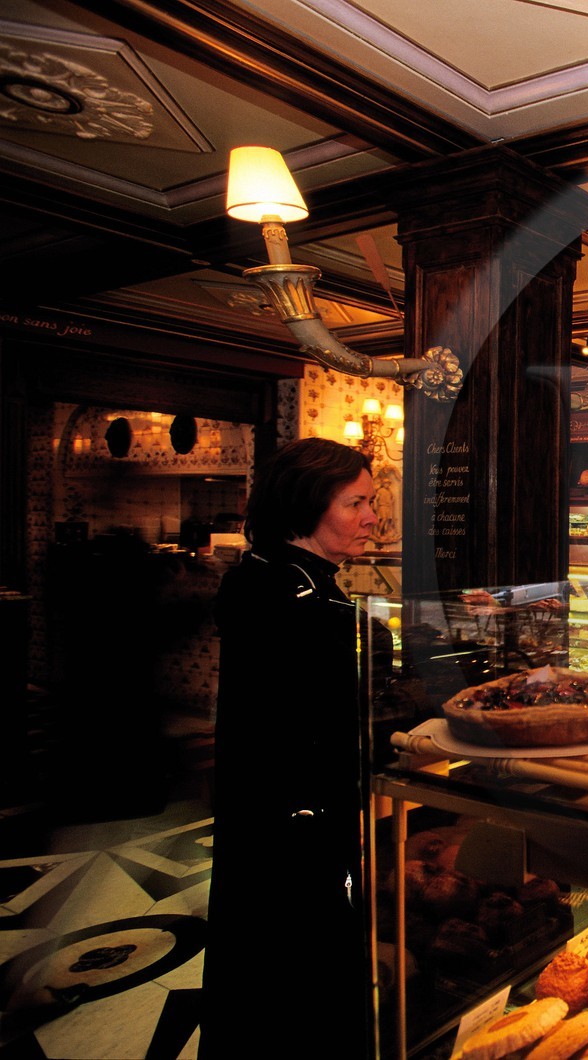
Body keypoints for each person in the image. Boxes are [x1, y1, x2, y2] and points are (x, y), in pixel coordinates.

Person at [202, 438, 377, 1056]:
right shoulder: (291, 597)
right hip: (296, 820)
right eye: (357, 503)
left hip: (274, 812)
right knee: (295, 972)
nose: (372, 518)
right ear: (308, 504)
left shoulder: (274, 577)